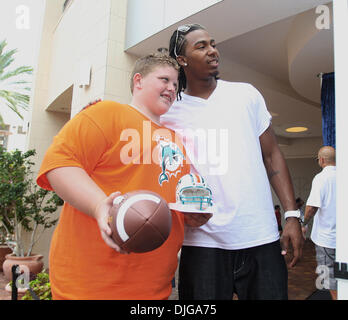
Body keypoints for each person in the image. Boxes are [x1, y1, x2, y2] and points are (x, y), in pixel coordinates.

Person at [36, 53, 208, 300]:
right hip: (89, 287)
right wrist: (98, 207)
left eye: (175, 84)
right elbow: (59, 166)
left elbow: (169, 201)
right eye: (164, 79)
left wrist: (191, 215)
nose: (172, 88)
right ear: (138, 81)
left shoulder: (176, 140)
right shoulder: (107, 113)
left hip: (154, 289)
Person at [160, 23, 304, 300]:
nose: (213, 50)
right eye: (201, 46)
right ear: (182, 59)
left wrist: (292, 215)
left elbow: (272, 154)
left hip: (259, 235)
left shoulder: (246, 94)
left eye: (213, 43)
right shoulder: (169, 112)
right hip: (202, 241)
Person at [302, 146, 337, 300]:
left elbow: (311, 208)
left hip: (326, 238)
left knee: (327, 277)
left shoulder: (321, 178)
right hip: (343, 238)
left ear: (321, 160)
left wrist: (303, 223)